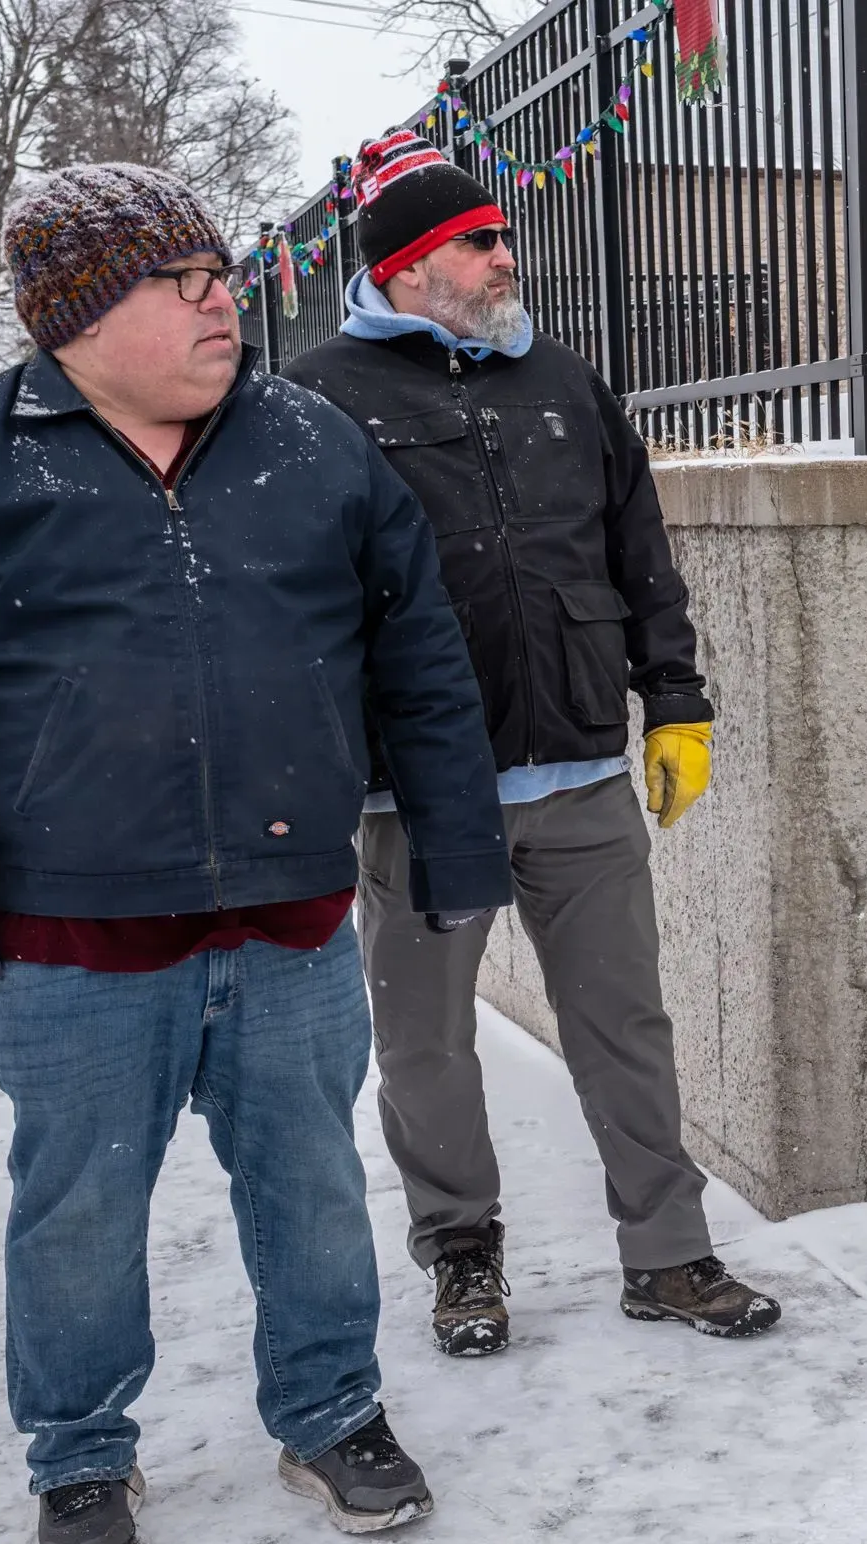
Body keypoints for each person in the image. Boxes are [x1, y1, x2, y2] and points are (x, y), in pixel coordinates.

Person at [0, 165, 513, 1544]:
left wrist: (457, 837)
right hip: (72, 942)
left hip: (290, 924)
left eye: (220, 274)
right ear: (75, 315)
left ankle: (331, 1411)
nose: (222, 302)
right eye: (181, 282)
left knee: (313, 1186)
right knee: (74, 1210)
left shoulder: (313, 445)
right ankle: (78, 1452)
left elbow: (420, 658)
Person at [283, 130, 779, 1357]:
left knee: (626, 1022)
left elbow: (637, 551)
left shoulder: (561, 378)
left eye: (504, 234)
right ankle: (463, 1252)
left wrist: (676, 702)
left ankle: (668, 1252)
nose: (508, 255)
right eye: (479, 240)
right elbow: (293, 598)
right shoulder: (319, 396)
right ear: (406, 267)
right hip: (417, 792)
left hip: (581, 770)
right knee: (425, 1038)